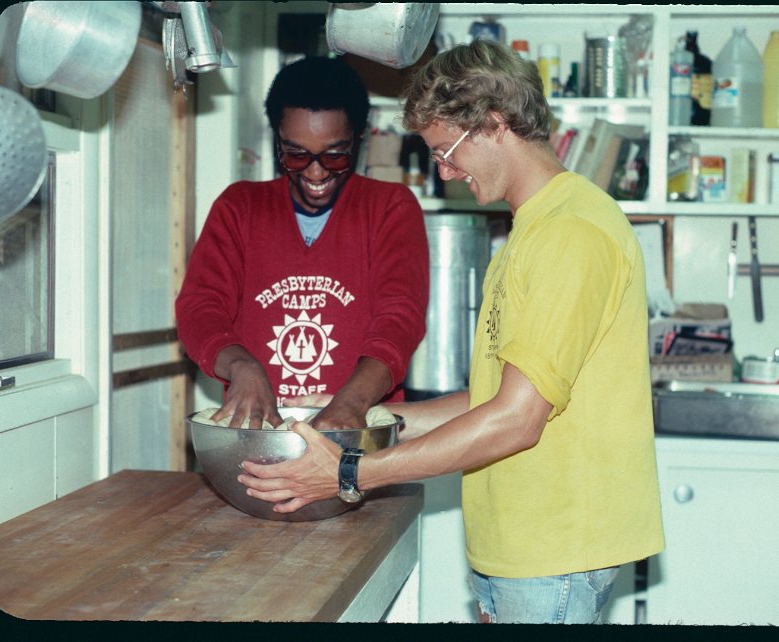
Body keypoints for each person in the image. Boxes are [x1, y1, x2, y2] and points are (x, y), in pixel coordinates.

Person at [238, 40, 665, 624]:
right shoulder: (530, 232)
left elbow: (515, 420)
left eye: (446, 151)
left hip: (556, 545)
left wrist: (346, 473)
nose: (443, 171)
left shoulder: (571, 234)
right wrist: (367, 420)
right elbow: (495, 398)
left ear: (493, 125)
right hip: (518, 544)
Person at [175, 56, 429, 431]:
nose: (315, 172)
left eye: (335, 155)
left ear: (360, 138)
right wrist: (242, 366)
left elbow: (400, 318)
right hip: (257, 436)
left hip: (361, 434)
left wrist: (352, 404)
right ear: (276, 139)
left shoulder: (390, 207)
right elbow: (200, 308)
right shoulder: (240, 207)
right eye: (296, 154)